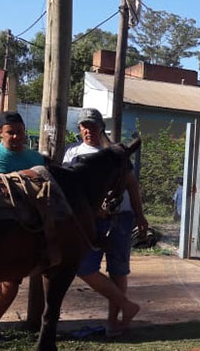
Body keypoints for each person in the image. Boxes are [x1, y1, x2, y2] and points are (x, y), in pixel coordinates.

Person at [62, 108, 145, 337]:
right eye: (84, 126)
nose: (88, 130)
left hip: (121, 217)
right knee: (85, 267)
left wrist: (140, 216)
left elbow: (131, 185)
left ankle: (115, 322)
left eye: (93, 125)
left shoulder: (116, 152)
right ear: (79, 129)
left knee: (118, 269)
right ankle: (127, 306)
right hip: (90, 219)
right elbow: (71, 189)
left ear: (101, 128)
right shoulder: (72, 153)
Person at [0, 111, 47, 345]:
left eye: (19, 132)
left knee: (13, 277)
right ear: (1, 133)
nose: (15, 137)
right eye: (10, 132)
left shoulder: (36, 158)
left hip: (20, 228)